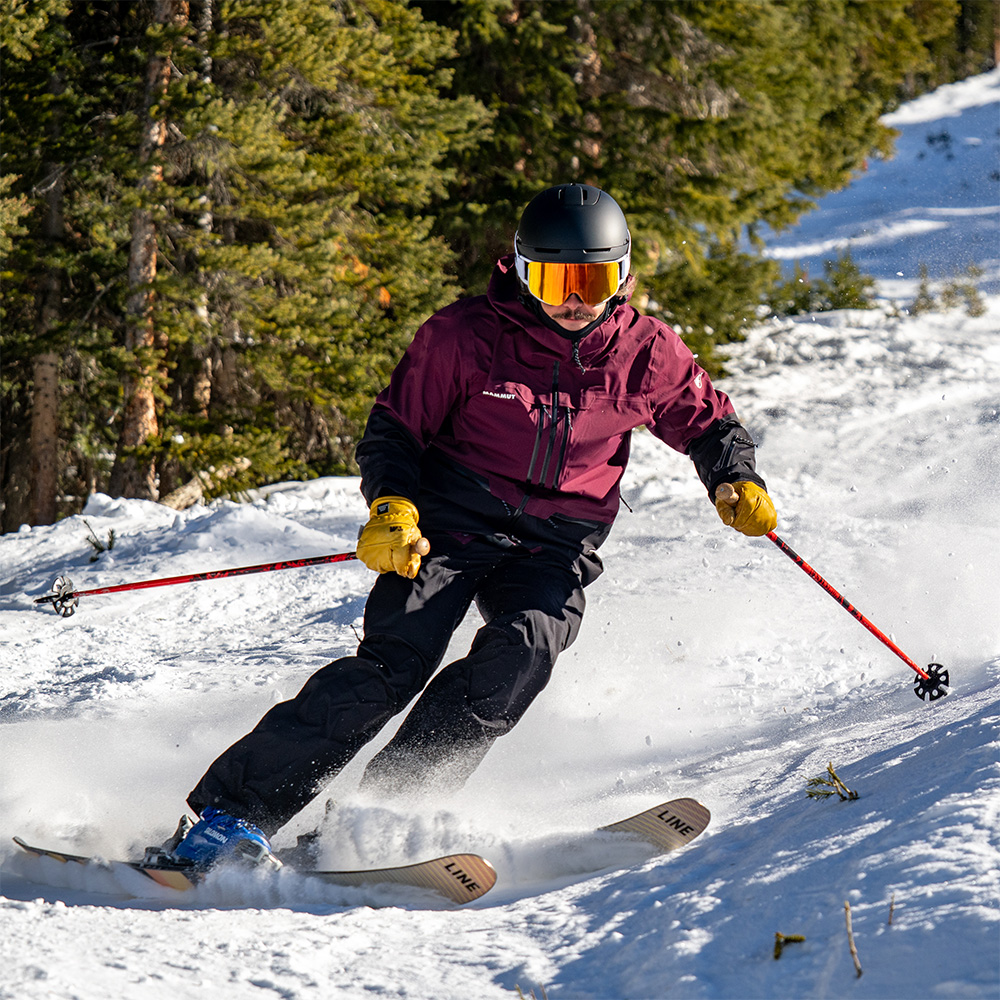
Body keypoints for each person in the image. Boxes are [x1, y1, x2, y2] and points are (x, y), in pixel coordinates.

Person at [169, 182, 777, 868]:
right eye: (554, 282)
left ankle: (381, 813)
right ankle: (229, 815)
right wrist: (392, 506)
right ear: (520, 271)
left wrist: (735, 479)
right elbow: (396, 429)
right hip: (449, 527)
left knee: (521, 654)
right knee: (391, 667)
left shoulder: (646, 351)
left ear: (624, 277)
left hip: (556, 544)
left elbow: (711, 424)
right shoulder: (464, 335)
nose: (573, 302)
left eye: (593, 281)